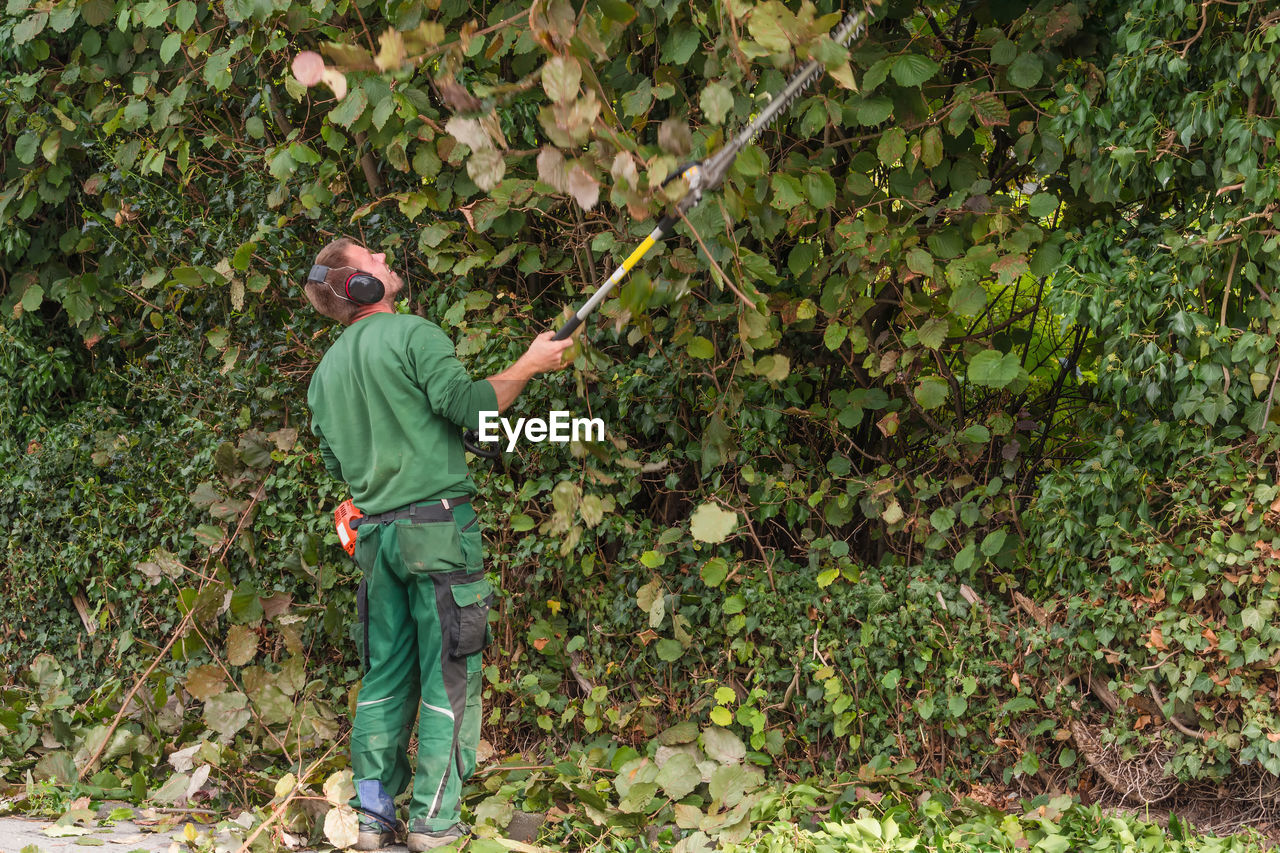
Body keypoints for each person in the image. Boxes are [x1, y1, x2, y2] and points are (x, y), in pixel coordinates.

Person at [303, 237, 572, 851]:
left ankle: (373, 817)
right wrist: (529, 363)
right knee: (450, 674)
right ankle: (433, 821)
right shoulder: (412, 335)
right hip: (439, 535)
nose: (386, 260)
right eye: (373, 259)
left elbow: (337, 459)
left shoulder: (324, 376)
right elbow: (471, 407)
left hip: (375, 541)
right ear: (358, 286)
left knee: (384, 677)